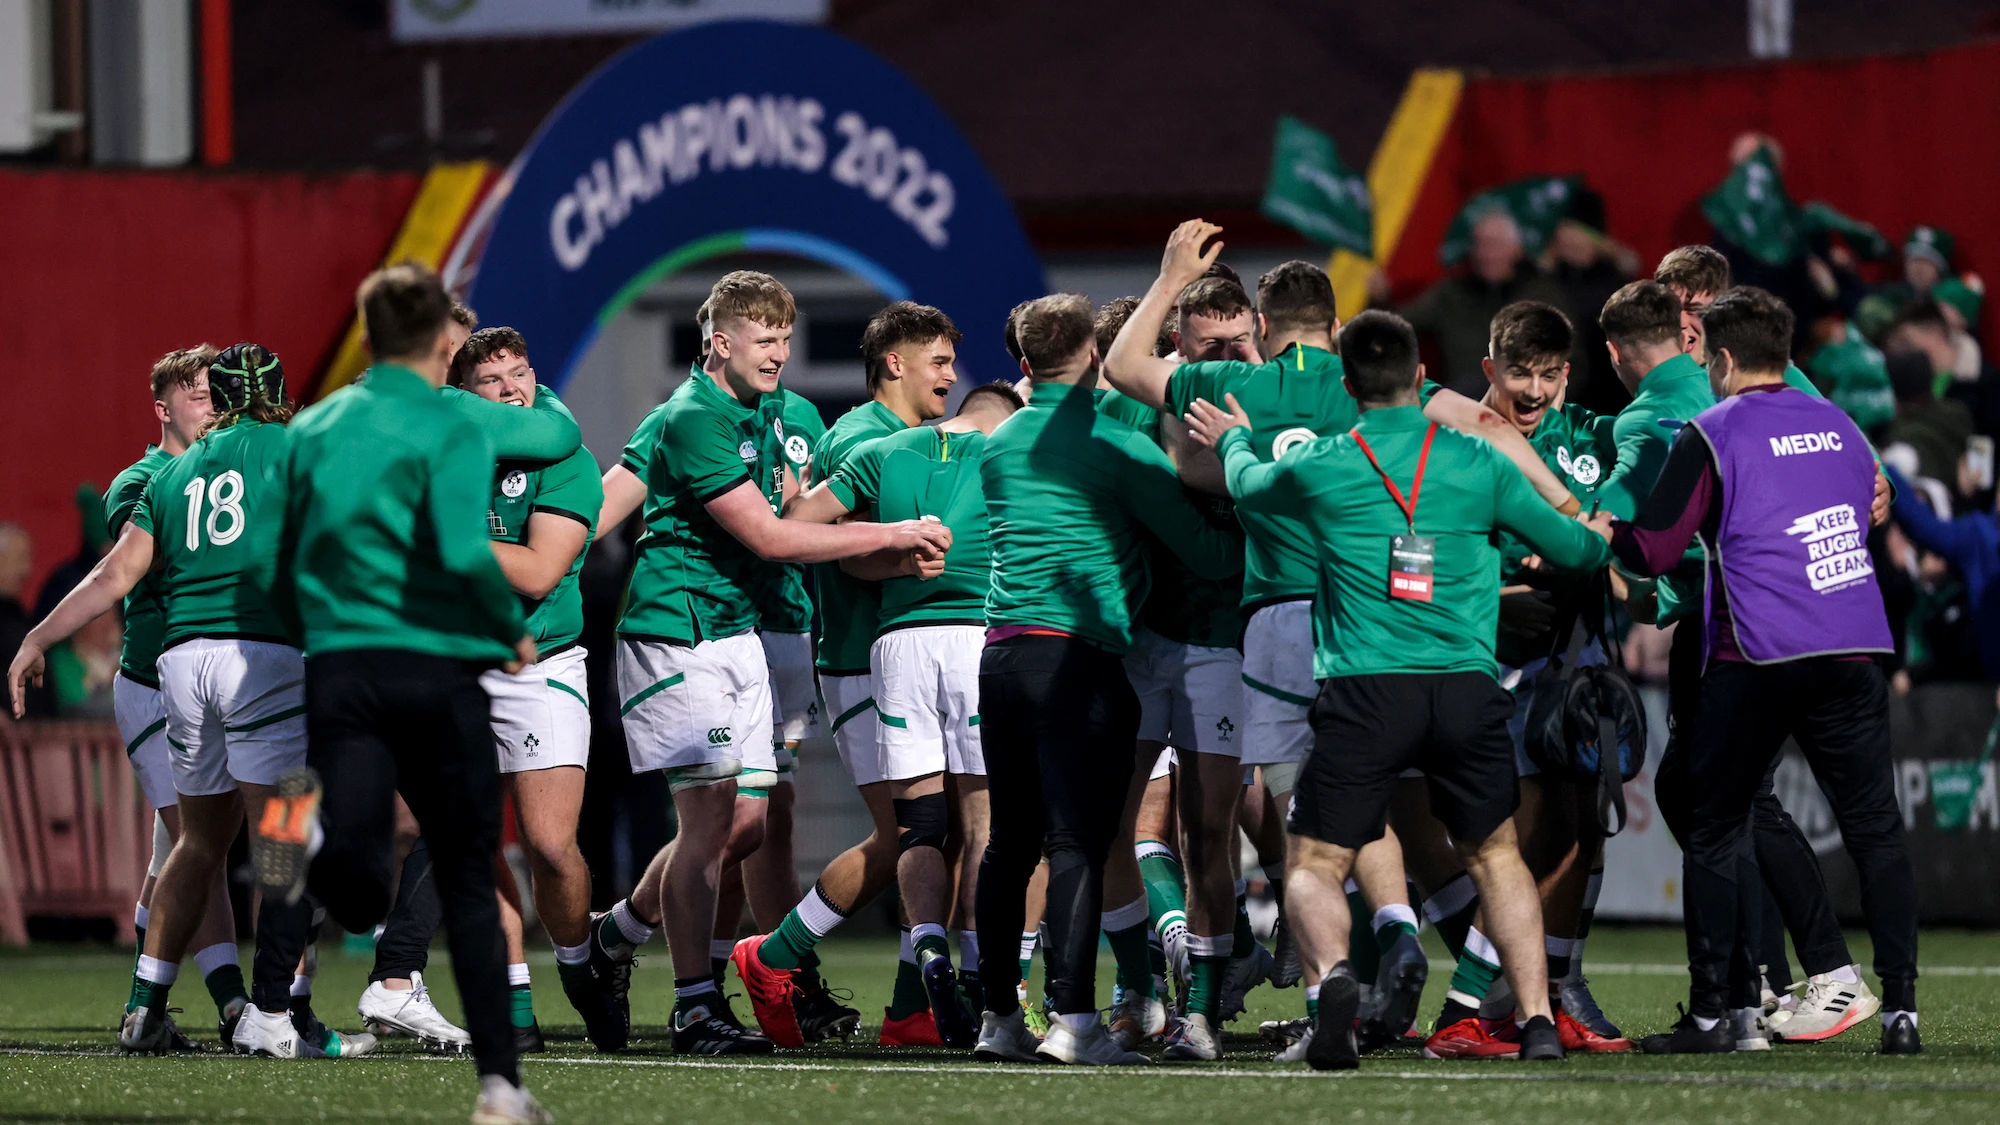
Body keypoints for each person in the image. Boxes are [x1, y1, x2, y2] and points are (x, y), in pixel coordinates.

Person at [1104, 221, 1584, 1059]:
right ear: (1334, 326)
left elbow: (1123, 366)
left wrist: (1172, 272)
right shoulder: (1368, 385)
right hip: (1376, 619)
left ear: (1264, 318)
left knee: (1307, 824)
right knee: (1468, 835)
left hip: (1274, 625)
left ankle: (1329, 976)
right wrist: (1570, 510)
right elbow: (1494, 430)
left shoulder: (1225, 382)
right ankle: (1435, 951)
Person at [1182, 309, 1616, 1070]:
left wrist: (1234, 439)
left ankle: (1339, 979)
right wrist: (1601, 528)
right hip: (1464, 687)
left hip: (1364, 690)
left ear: (1347, 386)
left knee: (1315, 859)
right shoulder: (1477, 463)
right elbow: (1576, 547)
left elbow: (1248, 486)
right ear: (1421, 378)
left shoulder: (1323, 461)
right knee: (1498, 854)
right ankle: (1539, 1018)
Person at [598, 272, 950, 1056]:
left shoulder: (766, 412)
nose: (780, 355)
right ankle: (695, 1002)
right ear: (720, 341)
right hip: (678, 632)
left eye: (786, 340)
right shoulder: (693, 415)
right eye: (765, 339)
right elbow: (774, 537)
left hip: (742, 633)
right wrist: (891, 535)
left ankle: (616, 933)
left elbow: (778, 515)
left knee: (751, 824)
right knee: (711, 817)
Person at [12, 343, 371, 1061]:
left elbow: (117, 573)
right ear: (276, 393)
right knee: (285, 833)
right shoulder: (293, 447)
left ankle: (146, 1004)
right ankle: (279, 1010)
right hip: (259, 656)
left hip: (180, 666)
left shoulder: (173, 471)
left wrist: (39, 635)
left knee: (198, 840)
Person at [262, 262, 552, 1124]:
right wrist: (506, 625)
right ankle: (501, 1087)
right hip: (438, 669)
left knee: (354, 883)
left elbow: (273, 567)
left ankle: (301, 837)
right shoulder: (453, 424)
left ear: (365, 334)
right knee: (465, 874)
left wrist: (313, 630)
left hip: (344, 670)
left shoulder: (311, 427)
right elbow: (463, 550)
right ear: (440, 342)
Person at [1609, 286, 1920, 1057]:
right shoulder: (1844, 427)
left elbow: (1651, 549)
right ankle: (1902, 1014)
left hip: (1758, 651)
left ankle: (1722, 1014)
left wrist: (1601, 527)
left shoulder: (1712, 431)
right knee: (1877, 830)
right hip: (1853, 646)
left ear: (1716, 357)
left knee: (1713, 821)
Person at [971, 292, 1243, 1067]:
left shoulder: (1001, 441)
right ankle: (1077, 1021)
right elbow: (1207, 552)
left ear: (1023, 365)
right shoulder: (1114, 446)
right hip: (1078, 659)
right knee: (1078, 842)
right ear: (1096, 356)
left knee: (1009, 845)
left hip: (999, 658)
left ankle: (998, 1018)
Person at [714, 301, 967, 1051]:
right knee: (907, 835)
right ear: (895, 362)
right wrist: (899, 554)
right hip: (863, 661)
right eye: (940, 360)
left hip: (901, 660)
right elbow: (812, 534)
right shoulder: (862, 437)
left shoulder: (909, 438)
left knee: (937, 834)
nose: (952, 376)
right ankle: (777, 953)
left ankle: (911, 1005)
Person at [764, 379, 1023, 1052]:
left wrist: (892, 552)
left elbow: (799, 518)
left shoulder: (883, 447)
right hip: (974, 639)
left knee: (921, 831)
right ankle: (988, 991)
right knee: (985, 830)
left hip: (894, 648)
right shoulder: (1012, 451)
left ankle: (928, 956)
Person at [1419, 301, 1631, 1057]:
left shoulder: (1599, 439)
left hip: (1580, 666)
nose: (1534, 389)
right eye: (1518, 372)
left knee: (1583, 836)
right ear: (1489, 371)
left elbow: (1637, 509)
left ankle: (1560, 990)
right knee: (1523, 837)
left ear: (1569, 375)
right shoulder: (1449, 441)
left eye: (1548, 373)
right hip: (1487, 664)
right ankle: (1465, 1006)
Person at [445, 328, 622, 1052]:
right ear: (467, 396)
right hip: (456, 661)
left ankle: (581, 963)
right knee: (468, 839)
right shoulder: (445, 453)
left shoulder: (565, 456)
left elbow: (539, 571)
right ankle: (514, 999)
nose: (513, 387)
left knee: (551, 846)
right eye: (494, 380)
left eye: (521, 371)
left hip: (541, 663)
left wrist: (437, 532)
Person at [98, 346, 247, 1047]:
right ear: (162, 408)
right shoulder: (141, 480)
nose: (211, 403)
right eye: (195, 393)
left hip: (210, 689)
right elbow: (141, 558)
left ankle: (146, 1009)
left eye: (218, 391)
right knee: (201, 846)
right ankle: (236, 1006)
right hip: (155, 688)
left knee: (177, 854)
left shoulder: (230, 472)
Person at [1401, 209, 1572, 395]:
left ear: (1516, 248)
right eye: (1480, 245)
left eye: (1494, 245)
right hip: (1459, 406)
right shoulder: (1452, 293)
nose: (1485, 255)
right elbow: (1398, 323)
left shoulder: (1542, 295)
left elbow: (1572, 362)